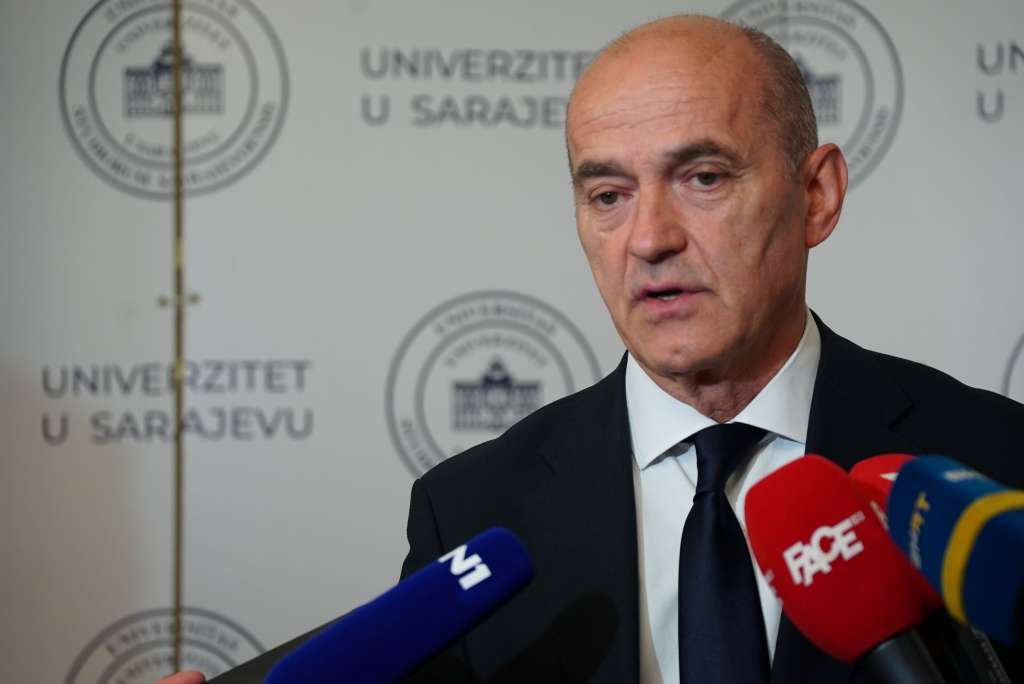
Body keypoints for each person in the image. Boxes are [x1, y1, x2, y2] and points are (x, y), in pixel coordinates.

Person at [158, 13, 1024, 684]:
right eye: (608, 194)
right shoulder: (472, 512)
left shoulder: (991, 462)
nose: (648, 238)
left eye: (704, 178)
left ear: (818, 196)